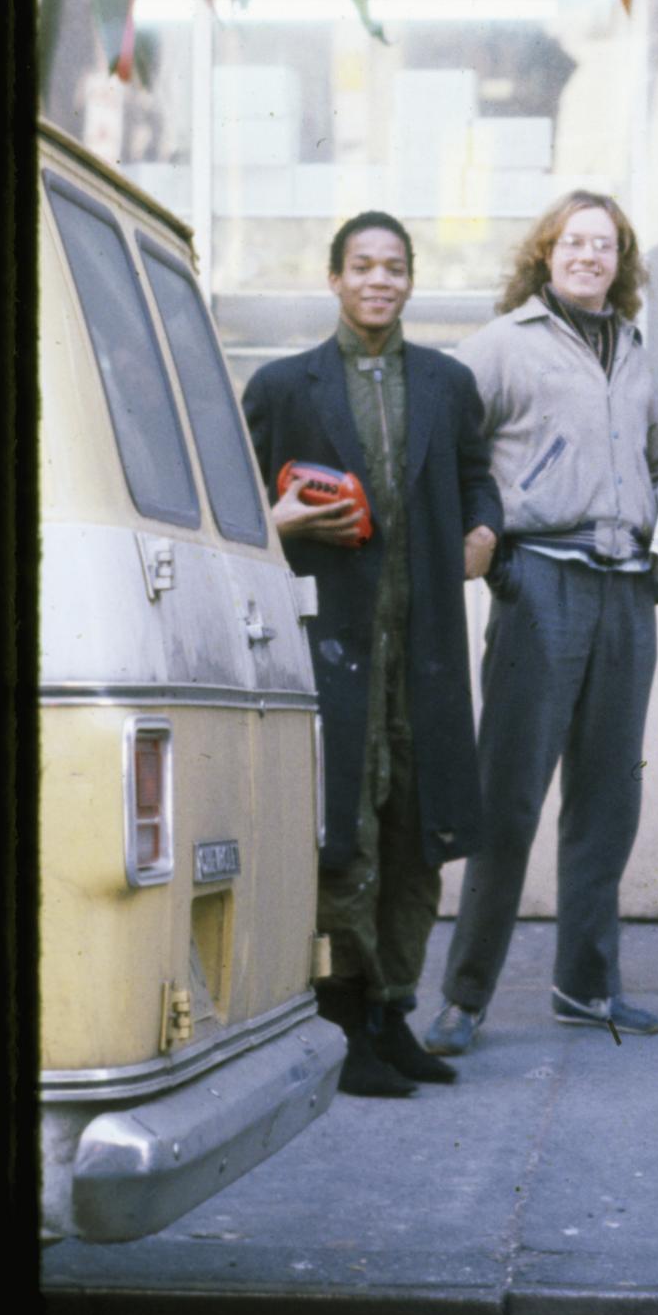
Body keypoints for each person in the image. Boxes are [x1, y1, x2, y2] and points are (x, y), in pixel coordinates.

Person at [243, 212, 502, 1098]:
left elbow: (477, 476)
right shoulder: (286, 386)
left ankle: (393, 1012)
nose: (379, 281)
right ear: (334, 279)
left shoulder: (444, 382)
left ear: (410, 281)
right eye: (362, 266)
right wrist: (273, 522)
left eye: (394, 267)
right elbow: (234, 496)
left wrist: (484, 529)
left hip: (423, 643)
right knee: (343, 831)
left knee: (415, 831)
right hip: (334, 648)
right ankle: (343, 1021)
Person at [426, 191, 658, 1055]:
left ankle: (586, 985)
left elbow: (656, 464)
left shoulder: (640, 350)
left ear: (621, 261)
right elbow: (449, 442)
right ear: (546, 253)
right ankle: (463, 996)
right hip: (541, 581)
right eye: (573, 242)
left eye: (604, 245)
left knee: (609, 798)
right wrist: (488, 541)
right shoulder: (504, 344)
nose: (588, 256)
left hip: (625, 588)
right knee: (510, 796)